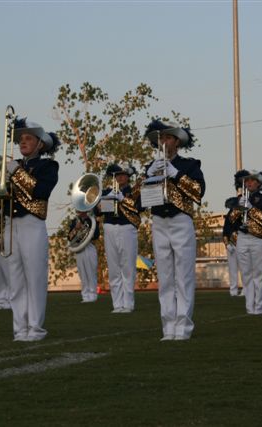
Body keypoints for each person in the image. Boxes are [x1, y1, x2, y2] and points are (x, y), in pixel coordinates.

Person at [141, 119, 205, 341]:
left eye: (168, 138)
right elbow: (139, 201)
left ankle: (183, 327)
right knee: (165, 277)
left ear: (177, 141)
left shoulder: (189, 165)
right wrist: (146, 177)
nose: (164, 142)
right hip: (159, 222)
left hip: (180, 221)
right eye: (161, 139)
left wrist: (176, 174)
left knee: (184, 276)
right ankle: (168, 327)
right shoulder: (151, 166)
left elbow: (198, 192)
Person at [3, 118, 59, 342]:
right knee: (15, 280)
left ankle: (35, 328)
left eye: (28, 138)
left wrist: (16, 172)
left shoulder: (48, 166)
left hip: (32, 224)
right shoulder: (12, 165)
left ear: (40, 144)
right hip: (11, 224)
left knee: (34, 278)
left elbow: (40, 191)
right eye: (21, 139)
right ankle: (20, 329)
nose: (23, 142)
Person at [226, 170, 262, 314]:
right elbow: (231, 221)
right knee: (246, 274)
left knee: (259, 274)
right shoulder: (240, 199)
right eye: (247, 181)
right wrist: (237, 208)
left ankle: (259, 307)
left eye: (252, 180)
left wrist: (251, 208)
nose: (249, 183)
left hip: (258, 239)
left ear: (259, 184)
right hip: (242, 238)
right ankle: (249, 307)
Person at [100, 163, 140, 313]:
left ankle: (128, 304)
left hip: (127, 227)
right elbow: (99, 212)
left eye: (123, 175)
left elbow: (139, 208)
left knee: (128, 267)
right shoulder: (107, 191)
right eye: (117, 175)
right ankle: (117, 304)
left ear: (128, 177)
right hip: (110, 227)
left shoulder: (134, 191)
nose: (120, 177)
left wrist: (123, 198)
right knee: (113, 267)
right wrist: (102, 202)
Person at [68, 209, 100, 303]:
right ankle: (85, 296)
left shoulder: (91, 220)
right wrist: (76, 229)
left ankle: (93, 295)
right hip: (79, 248)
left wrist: (84, 228)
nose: (79, 210)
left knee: (91, 272)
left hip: (89, 247)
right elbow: (69, 238)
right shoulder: (75, 221)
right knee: (83, 274)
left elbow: (96, 235)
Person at [222, 196, 242, 297]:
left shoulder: (242, 215)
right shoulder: (228, 216)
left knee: (244, 269)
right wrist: (227, 244)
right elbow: (225, 232)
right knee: (232, 269)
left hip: (242, 244)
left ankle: (246, 289)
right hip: (231, 245)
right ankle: (233, 290)